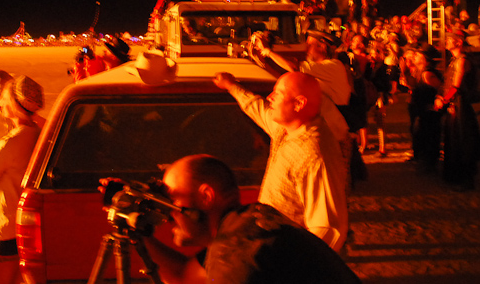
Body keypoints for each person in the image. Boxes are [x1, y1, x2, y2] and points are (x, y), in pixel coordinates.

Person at [141, 155, 361, 284]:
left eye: (171, 200)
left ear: (206, 196)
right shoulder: (247, 225)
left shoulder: (239, 257)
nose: (166, 213)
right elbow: (185, 275)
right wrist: (138, 234)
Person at [213, 71, 349, 251]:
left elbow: (327, 228)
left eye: (278, 93)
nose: (270, 97)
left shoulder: (315, 155)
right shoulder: (288, 127)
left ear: (299, 103)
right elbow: (257, 108)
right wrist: (232, 86)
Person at [0, 75, 45, 284]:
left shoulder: (10, 142)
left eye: (3, 97)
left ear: (13, 103)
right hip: (25, 225)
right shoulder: (37, 133)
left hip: (6, 227)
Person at [434, 30, 480, 191]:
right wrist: (439, 97)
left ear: (459, 42)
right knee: (453, 139)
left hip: (459, 104)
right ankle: (455, 176)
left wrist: (445, 99)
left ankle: (466, 179)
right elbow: (447, 83)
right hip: (454, 103)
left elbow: (456, 85)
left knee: (462, 140)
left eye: (450, 39)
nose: (447, 42)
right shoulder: (454, 60)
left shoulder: (462, 61)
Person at [410, 43, 443, 172]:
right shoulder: (420, 72)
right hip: (421, 110)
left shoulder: (428, 74)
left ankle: (429, 164)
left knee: (428, 136)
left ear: (425, 58)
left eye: (417, 55)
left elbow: (441, 88)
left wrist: (436, 101)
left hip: (429, 112)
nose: (414, 57)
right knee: (421, 135)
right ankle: (424, 161)